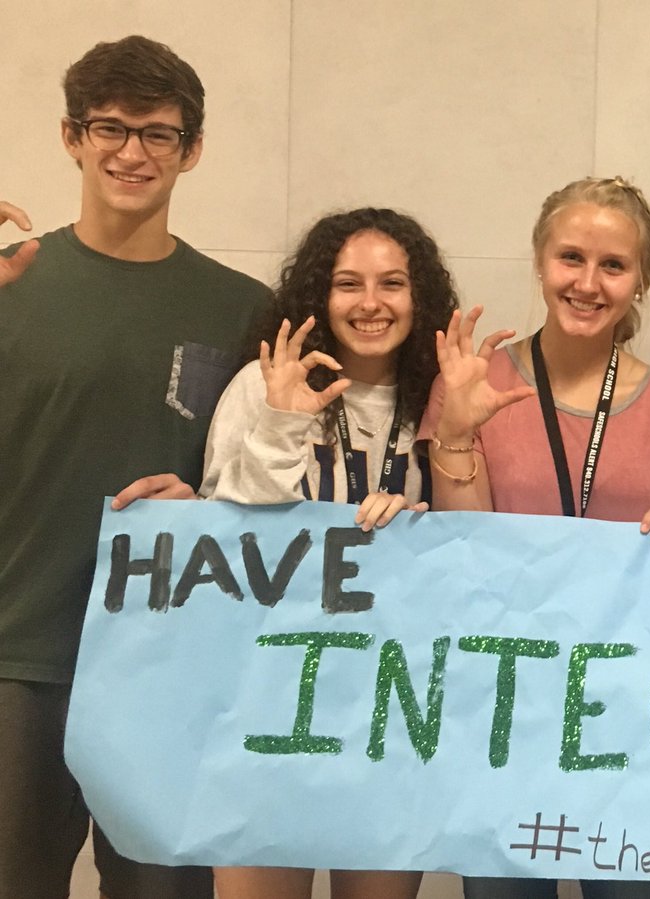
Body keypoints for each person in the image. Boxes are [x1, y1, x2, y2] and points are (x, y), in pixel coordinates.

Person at [0, 36, 270, 899]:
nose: (131, 152)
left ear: (191, 150)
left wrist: (207, 498)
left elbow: (264, 487)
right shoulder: (12, 284)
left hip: (168, 659)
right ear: (70, 137)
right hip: (18, 654)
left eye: (157, 134)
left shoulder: (240, 308)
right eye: (109, 127)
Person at [422, 175, 650, 898]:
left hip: (633, 716)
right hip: (506, 703)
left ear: (640, 279)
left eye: (613, 265)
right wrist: (456, 431)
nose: (588, 282)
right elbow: (465, 547)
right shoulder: (474, 384)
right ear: (539, 260)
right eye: (570, 258)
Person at [200, 207, 455, 897]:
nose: (370, 302)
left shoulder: (443, 400)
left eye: (392, 283)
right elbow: (228, 545)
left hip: (392, 708)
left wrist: (419, 523)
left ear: (420, 296)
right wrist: (282, 424)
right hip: (269, 698)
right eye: (349, 283)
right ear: (320, 294)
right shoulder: (266, 383)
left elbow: (470, 553)